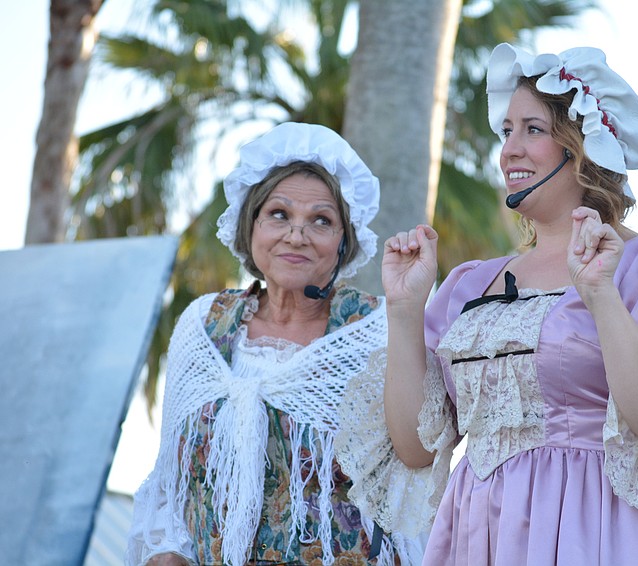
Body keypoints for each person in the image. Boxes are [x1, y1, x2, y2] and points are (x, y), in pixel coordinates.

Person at [335, 44, 638, 565]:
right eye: (506, 131)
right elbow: (415, 448)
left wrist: (599, 294)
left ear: (585, 144)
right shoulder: (469, 283)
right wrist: (404, 309)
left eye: (532, 129)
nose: (509, 149)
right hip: (479, 535)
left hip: (596, 530)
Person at [125, 122, 424, 566]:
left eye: (321, 220)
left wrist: (406, 311)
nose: (296, 235)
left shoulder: (375, 329)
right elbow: (172, 482)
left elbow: (415, 461)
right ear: (252, 226)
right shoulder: (203, 327)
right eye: (279, 214)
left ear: (345, 241)